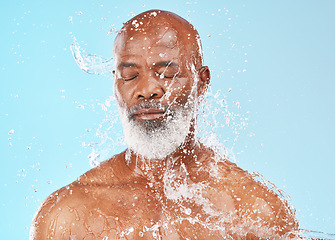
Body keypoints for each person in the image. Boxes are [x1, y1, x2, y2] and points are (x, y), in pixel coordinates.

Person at [30, 10, 299, 239]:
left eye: (167, 73)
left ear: (201, 81)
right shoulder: (67, 216)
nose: (147, 90)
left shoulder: (255, 211)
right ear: (114, 83)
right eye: (130, 75)